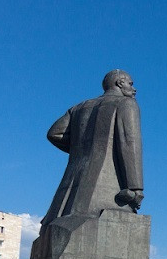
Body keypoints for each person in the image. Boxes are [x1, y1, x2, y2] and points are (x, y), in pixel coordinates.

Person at [41, 70, 144, 226]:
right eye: (130, 83)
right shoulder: (126, 104)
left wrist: (82, 149)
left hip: (67, 197)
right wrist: (135, 187)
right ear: (119, 83)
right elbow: (129, 142)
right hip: (106, 190)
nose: (134, 89)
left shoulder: (78, 108)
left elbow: (54, 133)